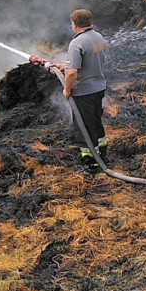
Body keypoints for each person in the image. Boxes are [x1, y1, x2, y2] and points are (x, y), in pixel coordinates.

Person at [49, 9, 109, 171]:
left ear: (74, 24)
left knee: (84, 124)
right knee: (96, 119)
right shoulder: (98, 37)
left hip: (84, 91)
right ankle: (102, 148)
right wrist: (64, 66)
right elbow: (91, 60)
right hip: (99, 87)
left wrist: (67, 90)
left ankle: (91, 160)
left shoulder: (77, 43)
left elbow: (74, 72)